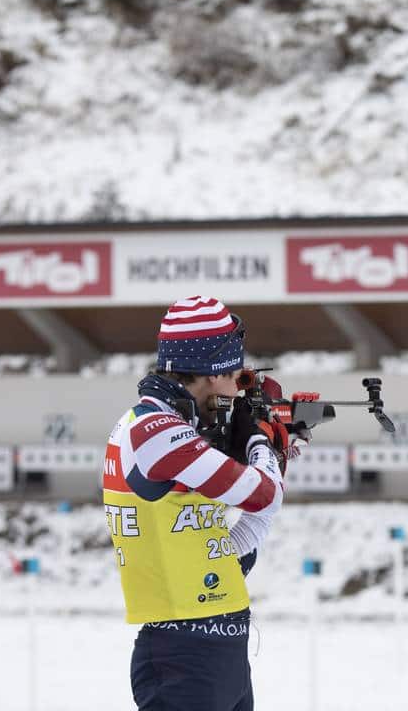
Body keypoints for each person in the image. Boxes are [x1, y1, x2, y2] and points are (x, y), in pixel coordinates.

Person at [102, 295, 295, 711]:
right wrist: (259, 438)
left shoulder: (180, 432)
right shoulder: (153, 431)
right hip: (182, 655)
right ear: (212, 373)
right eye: (235, 379)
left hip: (220, 651)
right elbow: (261, 493)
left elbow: (226, 546)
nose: (235, 392)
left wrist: (274, 453)